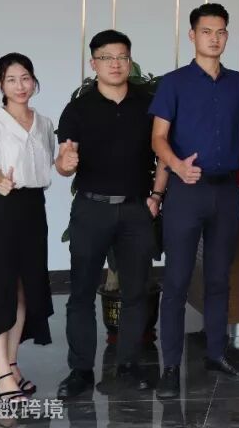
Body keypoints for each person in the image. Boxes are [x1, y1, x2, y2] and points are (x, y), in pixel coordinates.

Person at [150, 3, 239, 398]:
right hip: (186, 191)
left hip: (226, 191)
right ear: (192, 35)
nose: (215, 38)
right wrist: (178, 167)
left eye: (221, 31)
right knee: (177, 280)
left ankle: (217, 353)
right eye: (207, 31)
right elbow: (158, 138)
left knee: (218, 278)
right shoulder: (174, 83)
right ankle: (170, 366)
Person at [55, 30, 160, 399]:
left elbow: (164, 150)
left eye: (121, 57)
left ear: (130, 61)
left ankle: (128, 365)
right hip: (91, 208)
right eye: (106, 57)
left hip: (135, 209)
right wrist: (65, 164)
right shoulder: (78, 109)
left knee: (136, 292)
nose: (115, 64)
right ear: (93, 63)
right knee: (81, 292)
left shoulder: (149, 103)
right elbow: (63, 161)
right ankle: (80, 370)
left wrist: (157, 196)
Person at [0, 53, 56, 409]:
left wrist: (65, 162)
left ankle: (12, 364)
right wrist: (0, 180)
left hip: (33, 210)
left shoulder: (44, 123)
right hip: (3, 209)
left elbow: (48, 165)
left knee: (23, 290)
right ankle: (1, 373)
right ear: (0, 84)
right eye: (11, 79)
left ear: (34, 81)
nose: (20, 85)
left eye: (25, 77)